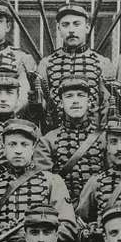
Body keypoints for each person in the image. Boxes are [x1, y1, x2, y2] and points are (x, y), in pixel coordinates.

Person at [0, 119, 77, 242]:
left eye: (24, 144)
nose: (18, 150)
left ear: (33, 148)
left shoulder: (52, 181)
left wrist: (32, 240)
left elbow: (67, 227)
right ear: (3, 148)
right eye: (12, 144)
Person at [35, 3, 115, 126]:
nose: (71, 30)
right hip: (57, 133)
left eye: (77, 24)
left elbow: (107, 105)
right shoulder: (46, 63)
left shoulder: (102, 62)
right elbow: (41, 106)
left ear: (87, 28)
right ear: (58, 29)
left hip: (93, 134)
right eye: (65, 25)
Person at [0, 72, 54, 180]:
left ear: (17, 97)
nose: (3, 98)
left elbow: (43, 172)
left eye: (9, 93)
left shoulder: (32, 130)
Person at [41, 75, 106, 204]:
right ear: (61, 103)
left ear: (89, 101)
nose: (75, 101)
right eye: (69, 96)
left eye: (81, 95)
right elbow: (43, 183)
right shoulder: (48, 140)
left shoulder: (104, 137)